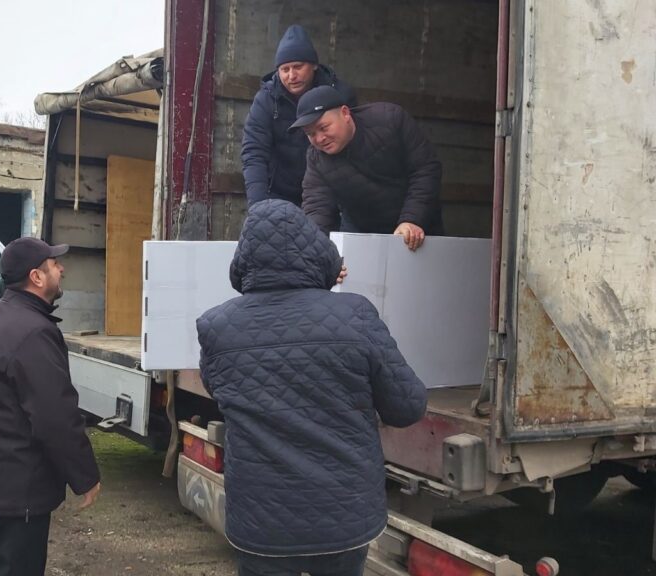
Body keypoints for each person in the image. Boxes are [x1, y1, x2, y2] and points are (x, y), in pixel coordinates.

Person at [196, 200, 427, 576]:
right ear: (315, 251)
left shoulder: (216, 326)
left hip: (261, 522)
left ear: (244, 259)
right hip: (344, 518)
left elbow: (217, 389)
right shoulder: (355, 314)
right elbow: (408, 407)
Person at [0, 236, 101, 576]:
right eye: (54, 264)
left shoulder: (2, 314)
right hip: (21, 482)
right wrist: (85, 476)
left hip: (6, 473)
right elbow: (53, 415)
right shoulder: (31, 332)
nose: (62, 268)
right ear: (37, 277)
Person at [295, 85, 444, 251]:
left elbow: (425, 168)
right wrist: (318, 252)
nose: (320, 138)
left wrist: (412, 219)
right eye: (311, 134)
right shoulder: (316, 158)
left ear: (345, 113)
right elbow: (317, 207)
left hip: (417, 225)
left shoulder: (391, 119)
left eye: (323, 128)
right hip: (361, 232)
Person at [242, 24, 357, 207]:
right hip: (280, 194)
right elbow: (254, 152)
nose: (291, 76)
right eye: (285, 69)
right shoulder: (265, 100)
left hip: (329, 194)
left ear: (314, 65)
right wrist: (258, 206)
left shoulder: (339, 94)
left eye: (297, 67)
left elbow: (356, 145)